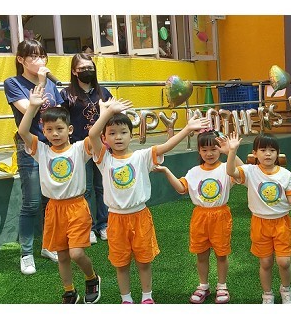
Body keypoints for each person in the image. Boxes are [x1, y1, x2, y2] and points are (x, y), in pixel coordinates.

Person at [88, 98, 210, 304]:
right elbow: (92, 134)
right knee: (121, 264)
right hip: (116, 219)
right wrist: (107, 112)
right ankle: (126, 299)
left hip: (140, 216)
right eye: (112, 133)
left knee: (144, 261)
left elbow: (165, 146)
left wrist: (187, 128)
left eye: (123, 132)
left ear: (132, 135)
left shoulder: (141, 156)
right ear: (105, 137)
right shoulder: (104, 159)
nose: (118, 137)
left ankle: (147, 297)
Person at [17, 87, 102, 303]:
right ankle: (69, 291)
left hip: (77, 207)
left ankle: (92, 278)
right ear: (43, 131)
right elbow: (23, 131)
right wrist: (32, 106)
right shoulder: (41, 151)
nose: (55, 134)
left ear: (70, 129)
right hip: (54, 209)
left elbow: (94, 134)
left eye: (59, 129)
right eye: (49, 129)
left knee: (76, 253)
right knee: (62, 256)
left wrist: (106, 112)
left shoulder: (79, 149)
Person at [225, 132, 291, 304]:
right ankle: (267, 294)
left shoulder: (285, 175)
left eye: (272, 150)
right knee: (265, 262)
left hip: (281, 223)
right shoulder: (250, 171)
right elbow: (230, 171)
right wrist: (232, 151)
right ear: (254, 153)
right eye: (263, 150)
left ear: (278, 153)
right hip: (259, 223)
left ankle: (286, 289)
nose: (268, 154)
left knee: (284, 262)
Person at [154, 130, 244, 304]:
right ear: (199, 151)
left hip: (221, 216)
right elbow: (181, 188)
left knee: (221, 254)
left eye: (214, 149)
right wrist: (166, 171)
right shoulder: (194, 171)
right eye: (204, 150)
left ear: (220, 149)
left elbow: (241, 173)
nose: (209, 154)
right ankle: (203, 285)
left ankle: (222, 286)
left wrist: (230, 152)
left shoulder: (226, 168)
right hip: (200, 217)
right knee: (201, 254)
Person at [3, 39, 60, 274]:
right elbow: (29, 109)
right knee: (32, 202)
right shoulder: (13, 83)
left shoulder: (52, 85)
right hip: (29, 147)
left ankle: (48, 245)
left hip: (52, 147)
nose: (40, 61)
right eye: (34, 57)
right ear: (21, 60)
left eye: (42, 56)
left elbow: (58, 113)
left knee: (49, 201)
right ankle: (26, 254)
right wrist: (42, 82)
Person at [60, 53, 112, 245]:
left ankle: (103, 225)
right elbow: (62, 121)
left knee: (102, 186)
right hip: (79, 149)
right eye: (82, 68)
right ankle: (87, 227)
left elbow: (112, 118)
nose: (87, 71)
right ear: (74, 71)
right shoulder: (66, 95)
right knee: (85, 189)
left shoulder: (103, 93)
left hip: (102, 147)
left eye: (90, 68)